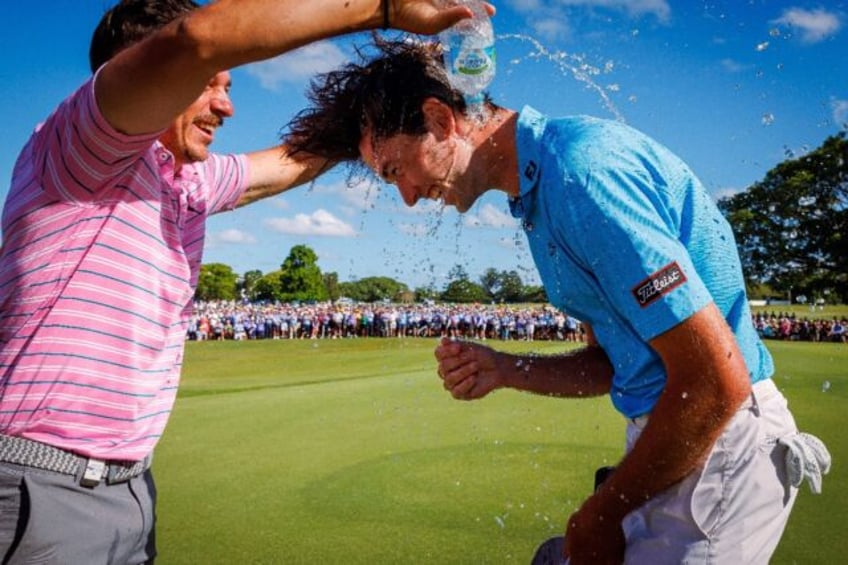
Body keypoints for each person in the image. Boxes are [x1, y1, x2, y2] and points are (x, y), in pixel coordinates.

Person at [283, 38, 831, 564]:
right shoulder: (540, 191)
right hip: (681, 439)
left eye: (395, 170)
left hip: (719, 444)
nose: (405, 196)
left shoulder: (581, 176)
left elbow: (716, 380)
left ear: (439, 120)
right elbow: (616, 365)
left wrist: (600, 514)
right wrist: (503, 368)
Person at [0, 2, 480, 563]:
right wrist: (388, 9)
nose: (226, 105)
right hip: (41, 477)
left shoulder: (188, 182)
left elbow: (295, 161)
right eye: (209, 85)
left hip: (130, 486)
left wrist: (380, 102)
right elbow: (195, 40)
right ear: (140, 71)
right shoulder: (83, 144)